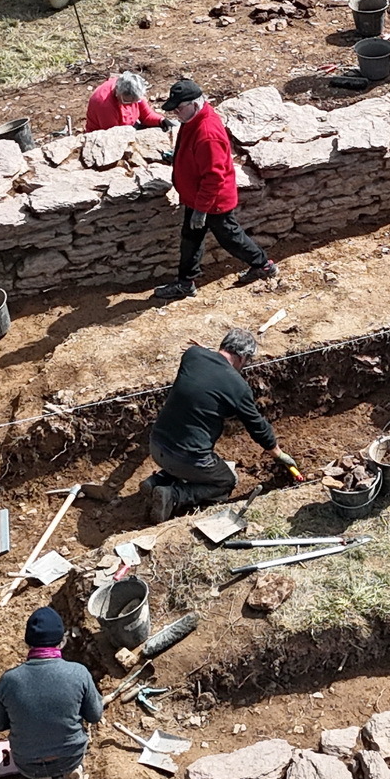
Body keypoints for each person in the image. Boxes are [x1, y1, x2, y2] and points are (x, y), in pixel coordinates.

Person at [145, 328, 295, 519]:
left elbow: (205, 361)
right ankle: (174, 496)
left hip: (156, 445)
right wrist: (278, 454)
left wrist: (205, 351)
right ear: (242, 358)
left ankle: (157, 481)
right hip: (188, 459)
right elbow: (256, 425)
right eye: (247, 361)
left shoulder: (193, 355)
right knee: (225, 481)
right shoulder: (237, 386)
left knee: (184, 449)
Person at [154, 78, 277, 301]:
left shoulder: (207, 133)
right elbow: (197, 156)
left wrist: (201, 210)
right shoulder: (194, 118)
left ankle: (263, 265)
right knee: (191, 238)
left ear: (195, 104)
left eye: (179, 109)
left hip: (211, 202)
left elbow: (213, 176)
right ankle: (185, 283)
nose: (177, 114)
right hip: (198, 198)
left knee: (230, 237)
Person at [0, 605, 104, 779]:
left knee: (35, 764)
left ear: (28, 643)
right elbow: (95, 715)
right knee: (71, 746)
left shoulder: (10, 680)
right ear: (62, 640)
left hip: (28, 760)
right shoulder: (79, 673)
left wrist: (17, 716)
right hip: (71, 754)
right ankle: (72, 772)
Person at [85, 70, 164, 132]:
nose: (131, 105)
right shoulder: (104, 105)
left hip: (129, 127)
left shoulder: (133, 89)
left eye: (136, 101)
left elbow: (146, 115)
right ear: (117, 93)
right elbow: (114, 135)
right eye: (126, 102)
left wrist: (161, 120)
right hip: (106, 135)